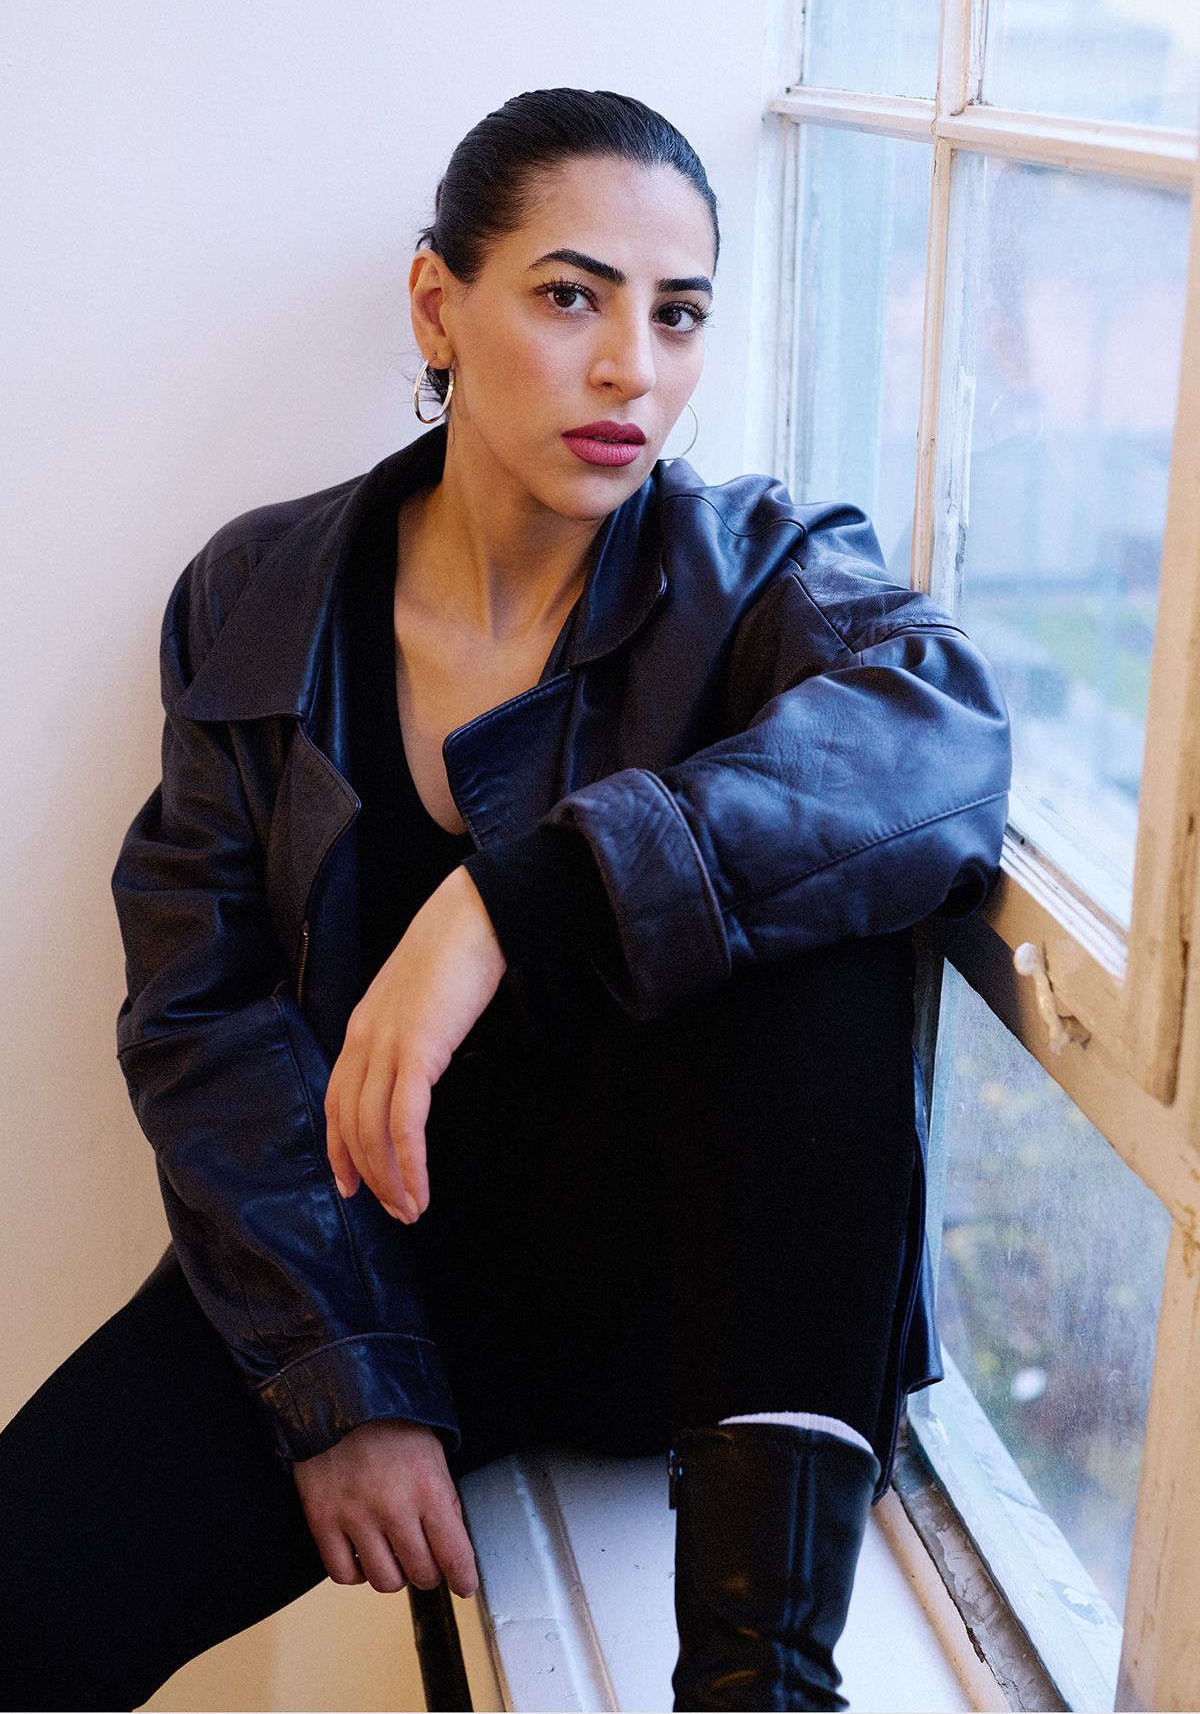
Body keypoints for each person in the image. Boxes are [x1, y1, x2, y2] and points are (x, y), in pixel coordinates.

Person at [0, 87, 1011, 1713]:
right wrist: (347, 1381)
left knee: (820, 909)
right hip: (371, 1263)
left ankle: (760, 1685)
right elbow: (200, 1010)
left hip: (689, 1309)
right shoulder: (259, 595)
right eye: (570, 296)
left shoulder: (760, 573)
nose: (632, 371)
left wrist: (506, 906)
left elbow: (944, 743)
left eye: (677, 315)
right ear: (437, 305)